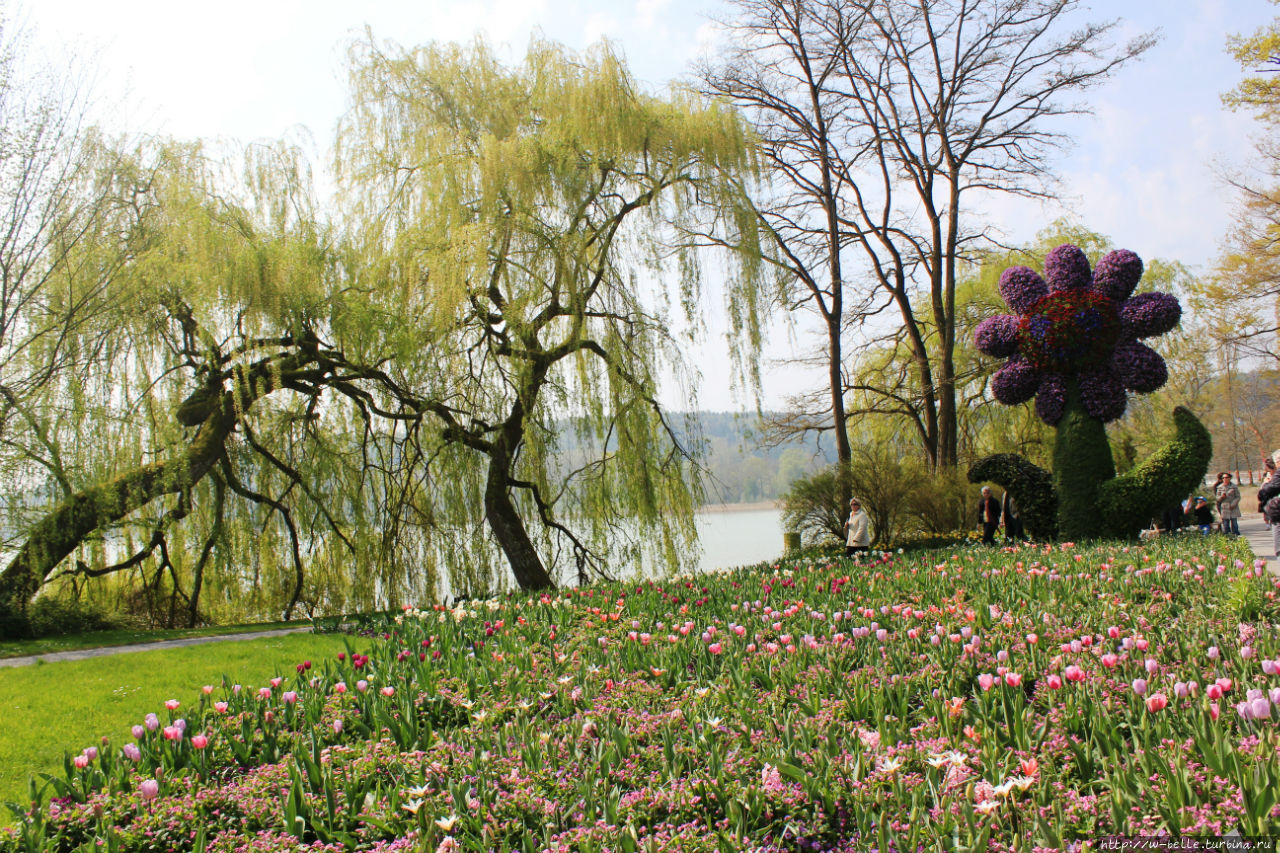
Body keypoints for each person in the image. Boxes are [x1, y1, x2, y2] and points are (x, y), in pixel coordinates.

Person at [1215, 472, 1241, 537]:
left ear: (1229, 478)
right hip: (1224, 506)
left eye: (1226, 477)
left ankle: (1235, 534)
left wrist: (1234, 503)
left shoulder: (1234, 486)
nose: (1225, 479)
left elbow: (1238, 496)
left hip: (1233, 506)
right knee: (1225, 523)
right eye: (1223, 478)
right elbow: (1217, 498)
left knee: (1234, 522)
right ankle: (1227, 535)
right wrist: (1221, 497)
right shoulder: (1219, 487)